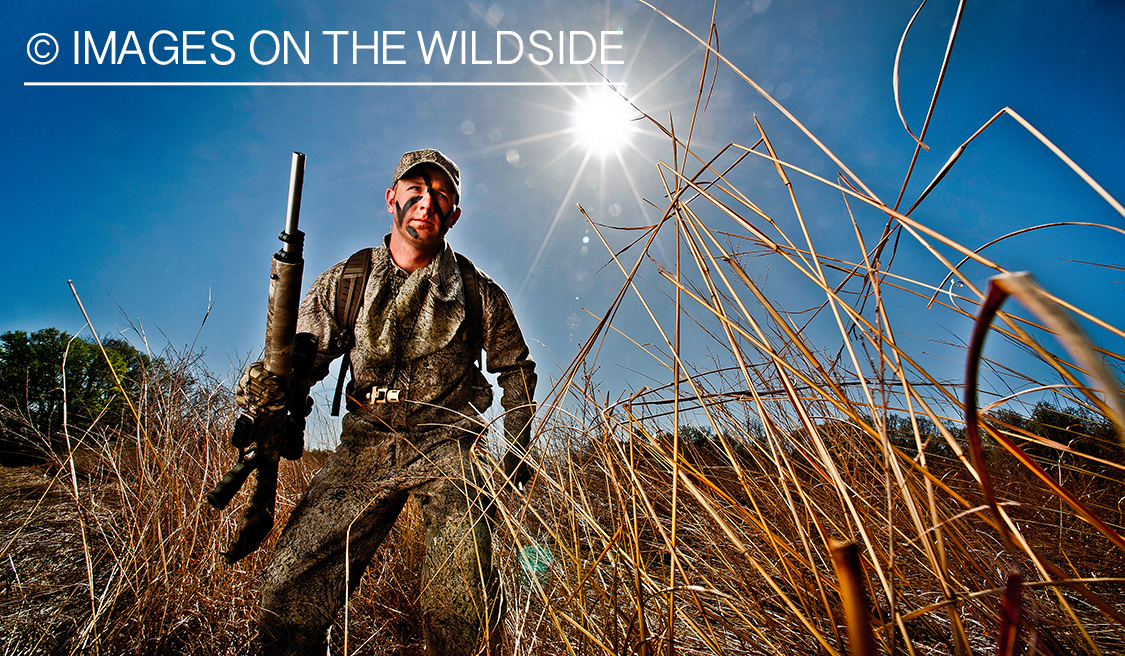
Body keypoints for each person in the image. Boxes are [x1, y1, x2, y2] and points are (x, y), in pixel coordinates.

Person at [251, 148, 536, 655]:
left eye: (441, 194)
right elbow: (303, 356)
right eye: (416, 189)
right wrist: (270, 391)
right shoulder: (349, 280)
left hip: (450, 452)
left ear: (455, 214)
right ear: (392, 198)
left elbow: (515, 367)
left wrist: (513, 452)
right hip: (366, 447)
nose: (427, 201)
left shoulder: (477, 292)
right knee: (285, 591)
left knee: (462, 610)